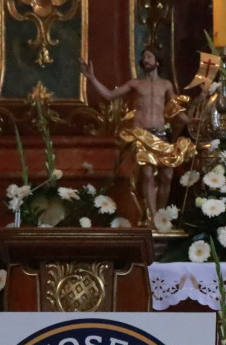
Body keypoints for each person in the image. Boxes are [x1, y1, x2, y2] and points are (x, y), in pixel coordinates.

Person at [80, 48, 194, 225]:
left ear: (157, 61)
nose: (145, 59)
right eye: (144, 57)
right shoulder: (135, 84)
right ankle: (153, 217)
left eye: (149, 56)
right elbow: (109, 95)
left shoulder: (166, 85)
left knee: (167, 175)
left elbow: (175, 109)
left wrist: (190, 121)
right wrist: (92, 78)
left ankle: (161, 215)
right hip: (141, 133)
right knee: (147, 174)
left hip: (160, 134)